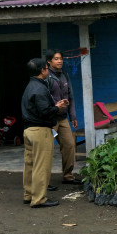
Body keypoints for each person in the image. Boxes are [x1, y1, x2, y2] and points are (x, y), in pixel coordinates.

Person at [22, 58, 69, 208]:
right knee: (41, 166)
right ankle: (39, 199)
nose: (48, 71)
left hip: (29, 130)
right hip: (40, 131)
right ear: (42, 70)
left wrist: (54, 106)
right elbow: (44, 112)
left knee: (30, 164)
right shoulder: (40, 88)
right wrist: (57, 108)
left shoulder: (30, 86)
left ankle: (29, 195)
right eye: (46, 68)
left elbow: (37, 108)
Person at [46, 49, 82, 185]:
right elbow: (43, 98)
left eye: (60, 58)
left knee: (69, 145)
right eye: (56, 58)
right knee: (47, 148)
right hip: (50, 121)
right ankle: (44, 181)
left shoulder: (65, 76)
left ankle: (68, 176)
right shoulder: (46, 77)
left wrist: (73, 116)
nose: (60, 61)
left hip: (63, 119)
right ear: (49, 61)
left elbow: (71, 97)